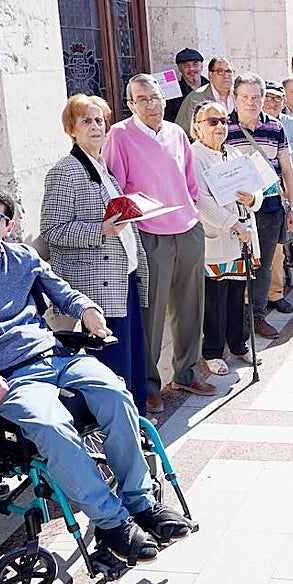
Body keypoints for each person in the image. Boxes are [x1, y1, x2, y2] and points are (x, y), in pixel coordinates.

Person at [0, 184, 191, 565]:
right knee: (53, 423)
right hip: (6, 374)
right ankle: (112, 525)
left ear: (7, 226)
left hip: (55, 356)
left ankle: (140, 502)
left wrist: (87, 310)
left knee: (116, 393)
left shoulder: (23, 257)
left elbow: (63, 292)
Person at [103, 75, 216, 413]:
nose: (151, 104)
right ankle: (149, 385)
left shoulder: (177, 133)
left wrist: (192, 213)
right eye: (143, 99)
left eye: (155, 97)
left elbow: (189, 182)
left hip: (187, 229)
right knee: (150, 315)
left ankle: (187, 372)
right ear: (131, 104)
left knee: (191, 306)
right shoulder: (119, 136)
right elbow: (115, 189)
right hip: (150, 235)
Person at [42, 94, 150, 416]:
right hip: (95, 287)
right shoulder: (65, 171)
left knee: (130, 359)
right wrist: (99, 231)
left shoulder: (104, 168)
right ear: (71, 129)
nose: (95, 127)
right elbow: (52, 230)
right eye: (86, 121)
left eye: (99, 120)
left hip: (122, 276)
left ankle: (137, 423)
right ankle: (117, 430)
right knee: (111, 367)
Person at [225, 73, 293, 339]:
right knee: (236, 266)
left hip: (269, 208)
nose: (251, 102)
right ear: (234, 99)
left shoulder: (276, 127)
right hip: (234, 211)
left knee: (264, 264)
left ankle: (257, 316)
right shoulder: (223, 127)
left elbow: (288, 172)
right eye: (245, 97)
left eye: (256, 97)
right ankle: (236, 323)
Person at [189, 100, 262, 375]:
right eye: (212, 121)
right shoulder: (194, 156)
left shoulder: (232, 153)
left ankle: (239, 343)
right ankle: (213, 351)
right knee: (215, 298)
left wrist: (252, 199)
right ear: (197, 127)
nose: (220, 126)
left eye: (223, 121)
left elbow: (256, 193)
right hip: (218, 237)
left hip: (243, 236)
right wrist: (233, 224)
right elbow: (200, 201)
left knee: (237, 294)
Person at [262, 80, 293, 316]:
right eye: (267, 97)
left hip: (280, 194)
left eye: (277, 99)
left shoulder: (292, 126)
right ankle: (252, 300)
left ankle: (275, 295)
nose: (272, 103)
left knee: (278, 251)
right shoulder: (247, 123)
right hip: (251, 197)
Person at [174, 56, 235, 131]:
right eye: (220, 71)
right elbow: (182, 132)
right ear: (210, 75)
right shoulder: (195, 98)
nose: (226, 76)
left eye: (229, 71)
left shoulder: (240, 95)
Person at [164, 48, 207, 124]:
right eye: (186, 66)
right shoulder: (173, 92)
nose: (191, 69)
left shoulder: (212, 87)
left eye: (195, 64)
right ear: (179, 68)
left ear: (202, 66)